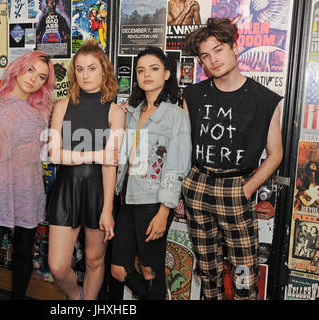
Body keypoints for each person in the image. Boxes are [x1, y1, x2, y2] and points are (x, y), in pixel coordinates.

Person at [182, 17, 283, 300]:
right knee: (207, 271)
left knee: (243, 273)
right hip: (199, 185)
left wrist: (248, 188)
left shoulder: (265, 99)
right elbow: (182, 144)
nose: (212, 59)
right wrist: (185, 184)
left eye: (219, 49)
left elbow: (276, 155)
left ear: (234, 48)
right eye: (205, 55)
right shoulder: (192, 95)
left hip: (236, 188)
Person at [0, 51, 55, 300]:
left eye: (41, 77)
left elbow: (46, 152)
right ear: (18, 68)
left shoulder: (43, 112)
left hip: (29, 192)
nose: (33, 80)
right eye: (30, 71)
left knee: (23, 255)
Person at [110, 46, 191, 300]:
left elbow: (177, 164)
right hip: (127, 201)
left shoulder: (176, 115)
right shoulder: (132, 113)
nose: (146, 75)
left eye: (154, 69)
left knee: (150, 271)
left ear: (167, 73)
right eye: (141, 70)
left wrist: (164, 211)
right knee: (119, 269)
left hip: (154, 204)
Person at [47, 40, 125, 300]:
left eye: (91, 68)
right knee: (57, 266)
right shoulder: (61, 106)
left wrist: (107, 209)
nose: (85, 75)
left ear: (104, 71)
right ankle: (75, 297)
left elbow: (110, 163)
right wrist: (96, 154)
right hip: (65, 190)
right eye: (79, 69)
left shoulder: (115, 111)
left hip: (98, 192)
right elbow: (53, 154)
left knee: (94, 260)